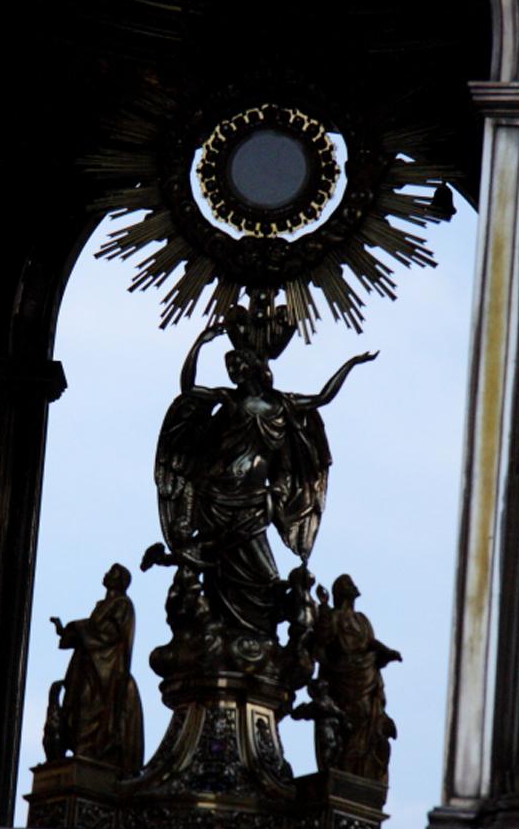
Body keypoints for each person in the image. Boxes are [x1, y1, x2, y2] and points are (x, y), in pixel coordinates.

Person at [153, 322, 375, 639]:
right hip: (217, 495)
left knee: (263, 572)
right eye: (230, 367)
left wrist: (351, 364)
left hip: (256, 500)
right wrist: (199, 344)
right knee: (217, 567)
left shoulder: (281, 403)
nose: (233, 370)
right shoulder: (226, 399)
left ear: (255, 368)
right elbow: (188, 388)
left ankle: (259, 630)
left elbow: (322, 398)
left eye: (239, 364)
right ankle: (219, 627)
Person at [50, 564, 144, 773]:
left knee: (92, 711)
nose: (106, 574)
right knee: (78, 707)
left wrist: (77, 629)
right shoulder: (105, 605)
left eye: (112, 573)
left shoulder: (122, 605)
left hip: (104, 671)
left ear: (119, 581)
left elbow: (107, 634)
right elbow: (95, 631)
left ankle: (90, 756)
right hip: (89, 666)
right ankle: (81, 755)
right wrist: (68, 631)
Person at [312, 574, 401, 783]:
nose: (354, 588)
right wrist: (323, 609)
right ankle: (346, 767)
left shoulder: (361, 619)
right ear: (341, 592)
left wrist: (388, 652)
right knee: (349, 723)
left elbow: (371, 643)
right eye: (349, 586)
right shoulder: (333, 617)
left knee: (369, 721)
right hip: (343, 681)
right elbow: (321, 644)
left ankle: (362, 770)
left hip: (366, 677)